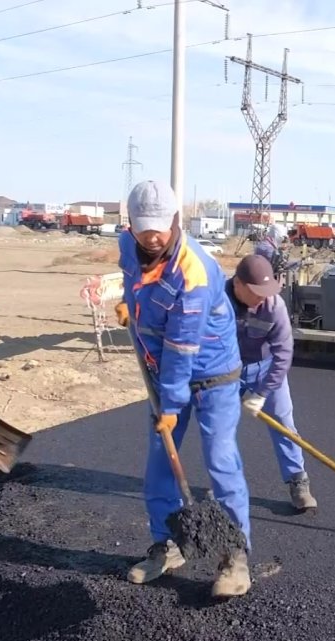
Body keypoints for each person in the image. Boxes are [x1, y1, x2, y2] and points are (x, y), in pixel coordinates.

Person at [113, 180, 252, 598]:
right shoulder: (129, 247)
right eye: (144, 227)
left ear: (175, 221)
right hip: (164, 373)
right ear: (131, 224)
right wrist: (129, 306)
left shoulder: (194, 272)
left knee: (221, 459)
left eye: (160, 227)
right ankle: (168, 544)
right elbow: (134, 281)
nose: (152, 236)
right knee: (160, 464)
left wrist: (171, 404)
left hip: (212, 374)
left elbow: (181, 348)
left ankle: (236, 556)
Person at [227, 254, 318, 512]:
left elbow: (283, 355)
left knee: (283, 424)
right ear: (238, 284)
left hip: (265, 369)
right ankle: (226, 484)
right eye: (256, 292)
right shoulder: (217, 300)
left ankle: (298, 481)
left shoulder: (274, 306)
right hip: (224, 371)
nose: (262, 298)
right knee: (220, 429)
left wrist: (261, 393)